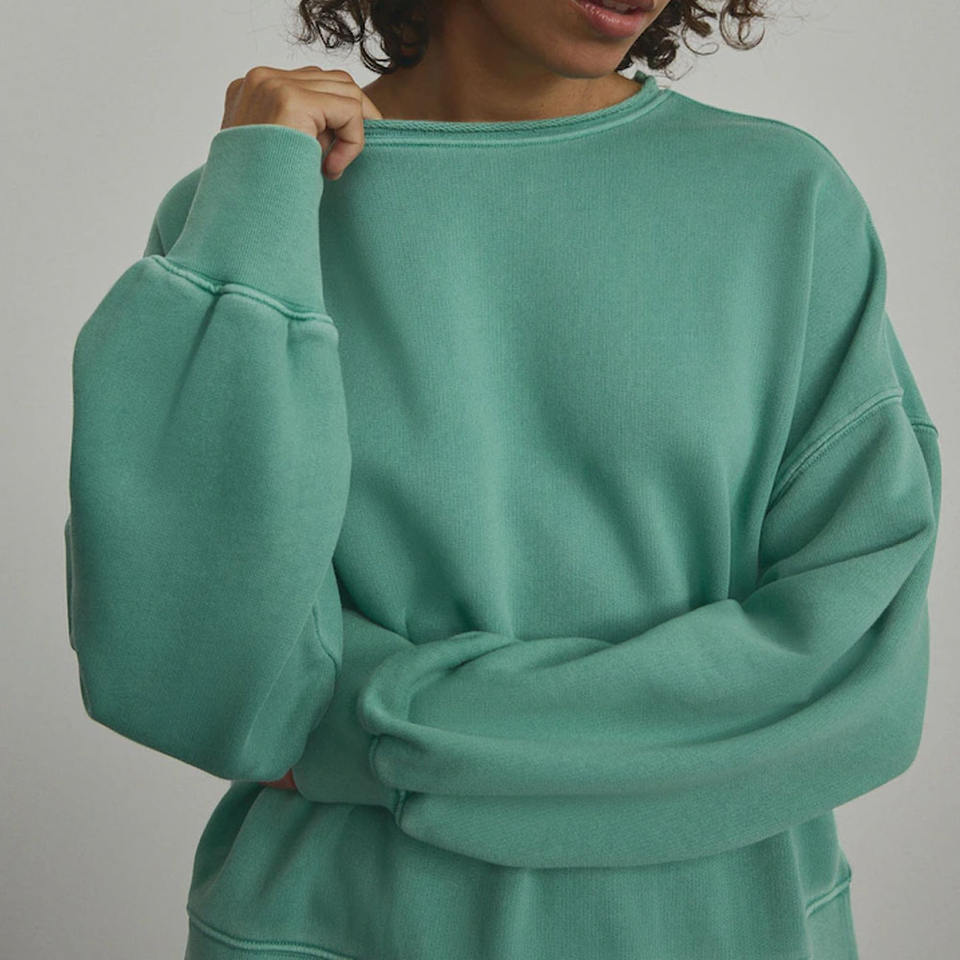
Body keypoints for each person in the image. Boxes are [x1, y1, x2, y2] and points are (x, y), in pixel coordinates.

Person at [63, 1, 942, 958]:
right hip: (344, 926)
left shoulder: (782, 198)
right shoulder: (261, 206)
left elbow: (855, 655)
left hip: (715, 925)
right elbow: (192, 674)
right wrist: (259, 186)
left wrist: (369, 739)